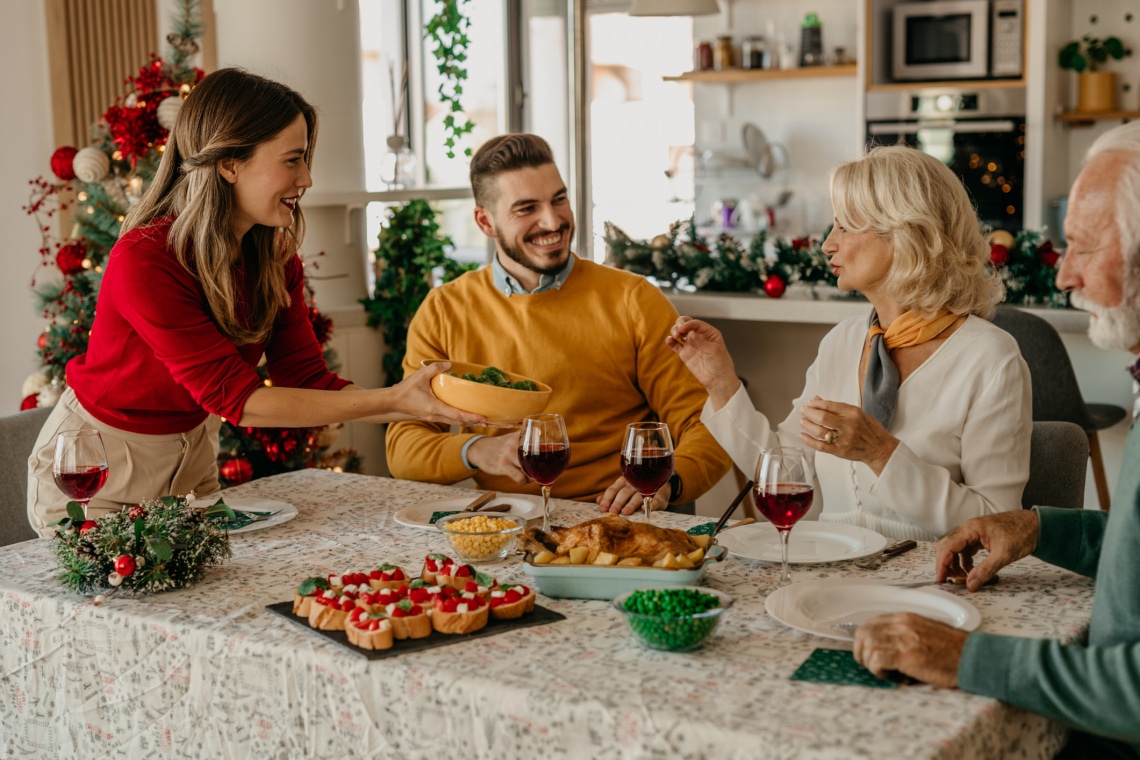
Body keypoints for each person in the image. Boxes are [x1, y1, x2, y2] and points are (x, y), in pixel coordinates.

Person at [27, 68, 482, 535]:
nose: (306, 178)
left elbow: (306, 379)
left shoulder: (273, 256)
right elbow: (236, 400)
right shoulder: (145, 260)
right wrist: (392, 400)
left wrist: (417, 404)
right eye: (293, 160)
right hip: (97, 477)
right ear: (229, 164)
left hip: (191, 465)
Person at [853, 122, 1140, 758]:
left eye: (1085, 248)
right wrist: (1043, 529)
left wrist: (970, 657)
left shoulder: (989, 354)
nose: (1062, 277)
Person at [667, 145, 1032, 540]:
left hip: (936, 583)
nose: (828, 244)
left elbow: (996, 524)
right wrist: (721, 384)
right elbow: (787, 473)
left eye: (844, 226)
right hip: (833, 567)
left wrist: (881, 453)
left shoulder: (991, 358)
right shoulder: (842, 342)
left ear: (905, 236)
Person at [386, 133, 731, 514]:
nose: (552, 221)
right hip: (502, 523)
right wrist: (477, 450)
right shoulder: (444, 310)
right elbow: (404, 445)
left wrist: (670, 479)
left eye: (559, 199)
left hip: (618, 519)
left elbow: (711, 424)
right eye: (526, 208)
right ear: (485, 222)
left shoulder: (633, 300)